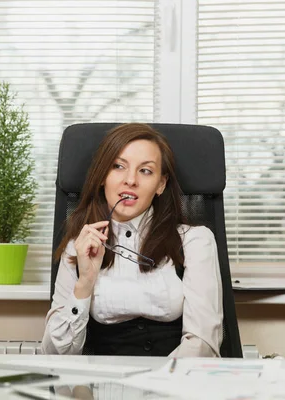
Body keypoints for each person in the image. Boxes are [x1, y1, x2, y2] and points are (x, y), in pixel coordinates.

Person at [41, 123, 223, 357]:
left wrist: (156, 385)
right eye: (118, 166)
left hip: (171, 384)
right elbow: (53, 355)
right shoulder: (80, 246)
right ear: (102, 177)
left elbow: (203, 344)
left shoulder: (195, 241)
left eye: (145, 170)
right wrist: (84, 282)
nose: (131, 180)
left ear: (161, 184)